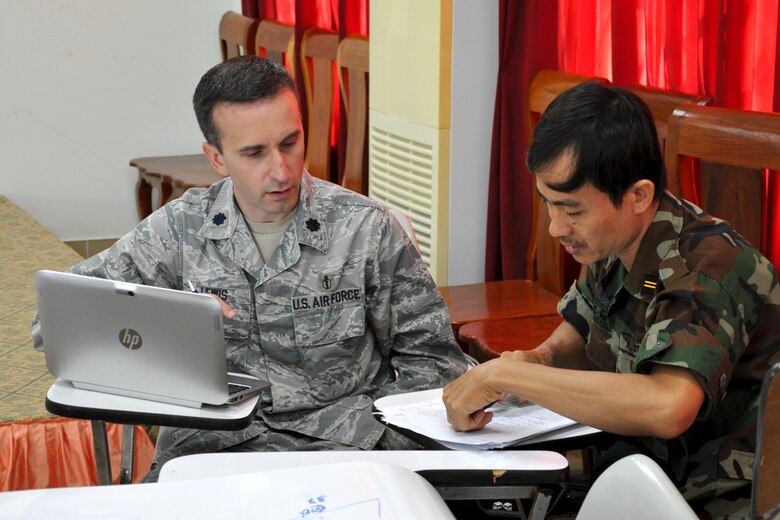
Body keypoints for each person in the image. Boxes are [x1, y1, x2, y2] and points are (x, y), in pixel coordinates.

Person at [32, 56, 469, 481]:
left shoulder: (365, 230)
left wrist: (382, 436)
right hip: (214, 451)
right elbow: (56, 320)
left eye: (290, 143)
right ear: (217, 158)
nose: (280, 171)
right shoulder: (181, 230)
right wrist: (167, 313)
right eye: (254, 153)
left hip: (342, 449)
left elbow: (434, 360)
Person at [442, 82, 780, 513]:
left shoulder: (707, 267)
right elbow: (584, 329)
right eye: (549, 203)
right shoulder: (613, 238)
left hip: (715, 499)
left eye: (573, 210)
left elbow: (668, 406)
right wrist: (541, 359)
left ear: (637, 195)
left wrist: (509, 376)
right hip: (632, 476)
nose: (555, 228)